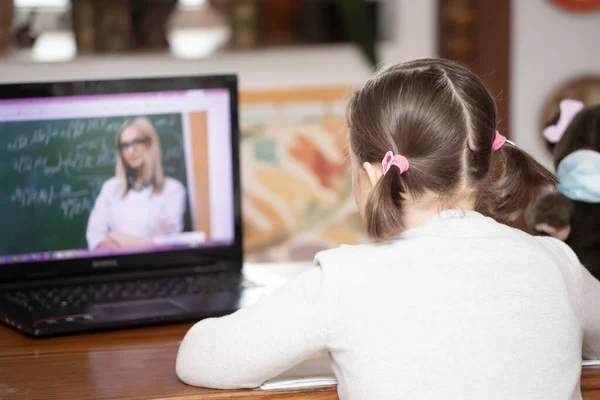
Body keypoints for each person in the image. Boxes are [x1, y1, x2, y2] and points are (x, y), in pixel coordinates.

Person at [175, 59, 600, 399]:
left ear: (373, 175)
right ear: (483, 162)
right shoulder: (555, 261)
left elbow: (202, 360)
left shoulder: (343, 280)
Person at [86, 117, 186, 250]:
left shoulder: (173, 189)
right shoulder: (110, 188)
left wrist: (118, 238)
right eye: (125, 145)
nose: (131, 151)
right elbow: (95, 238)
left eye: (136, 142)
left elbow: (169, 244)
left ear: (150, 144)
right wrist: (152, 241)